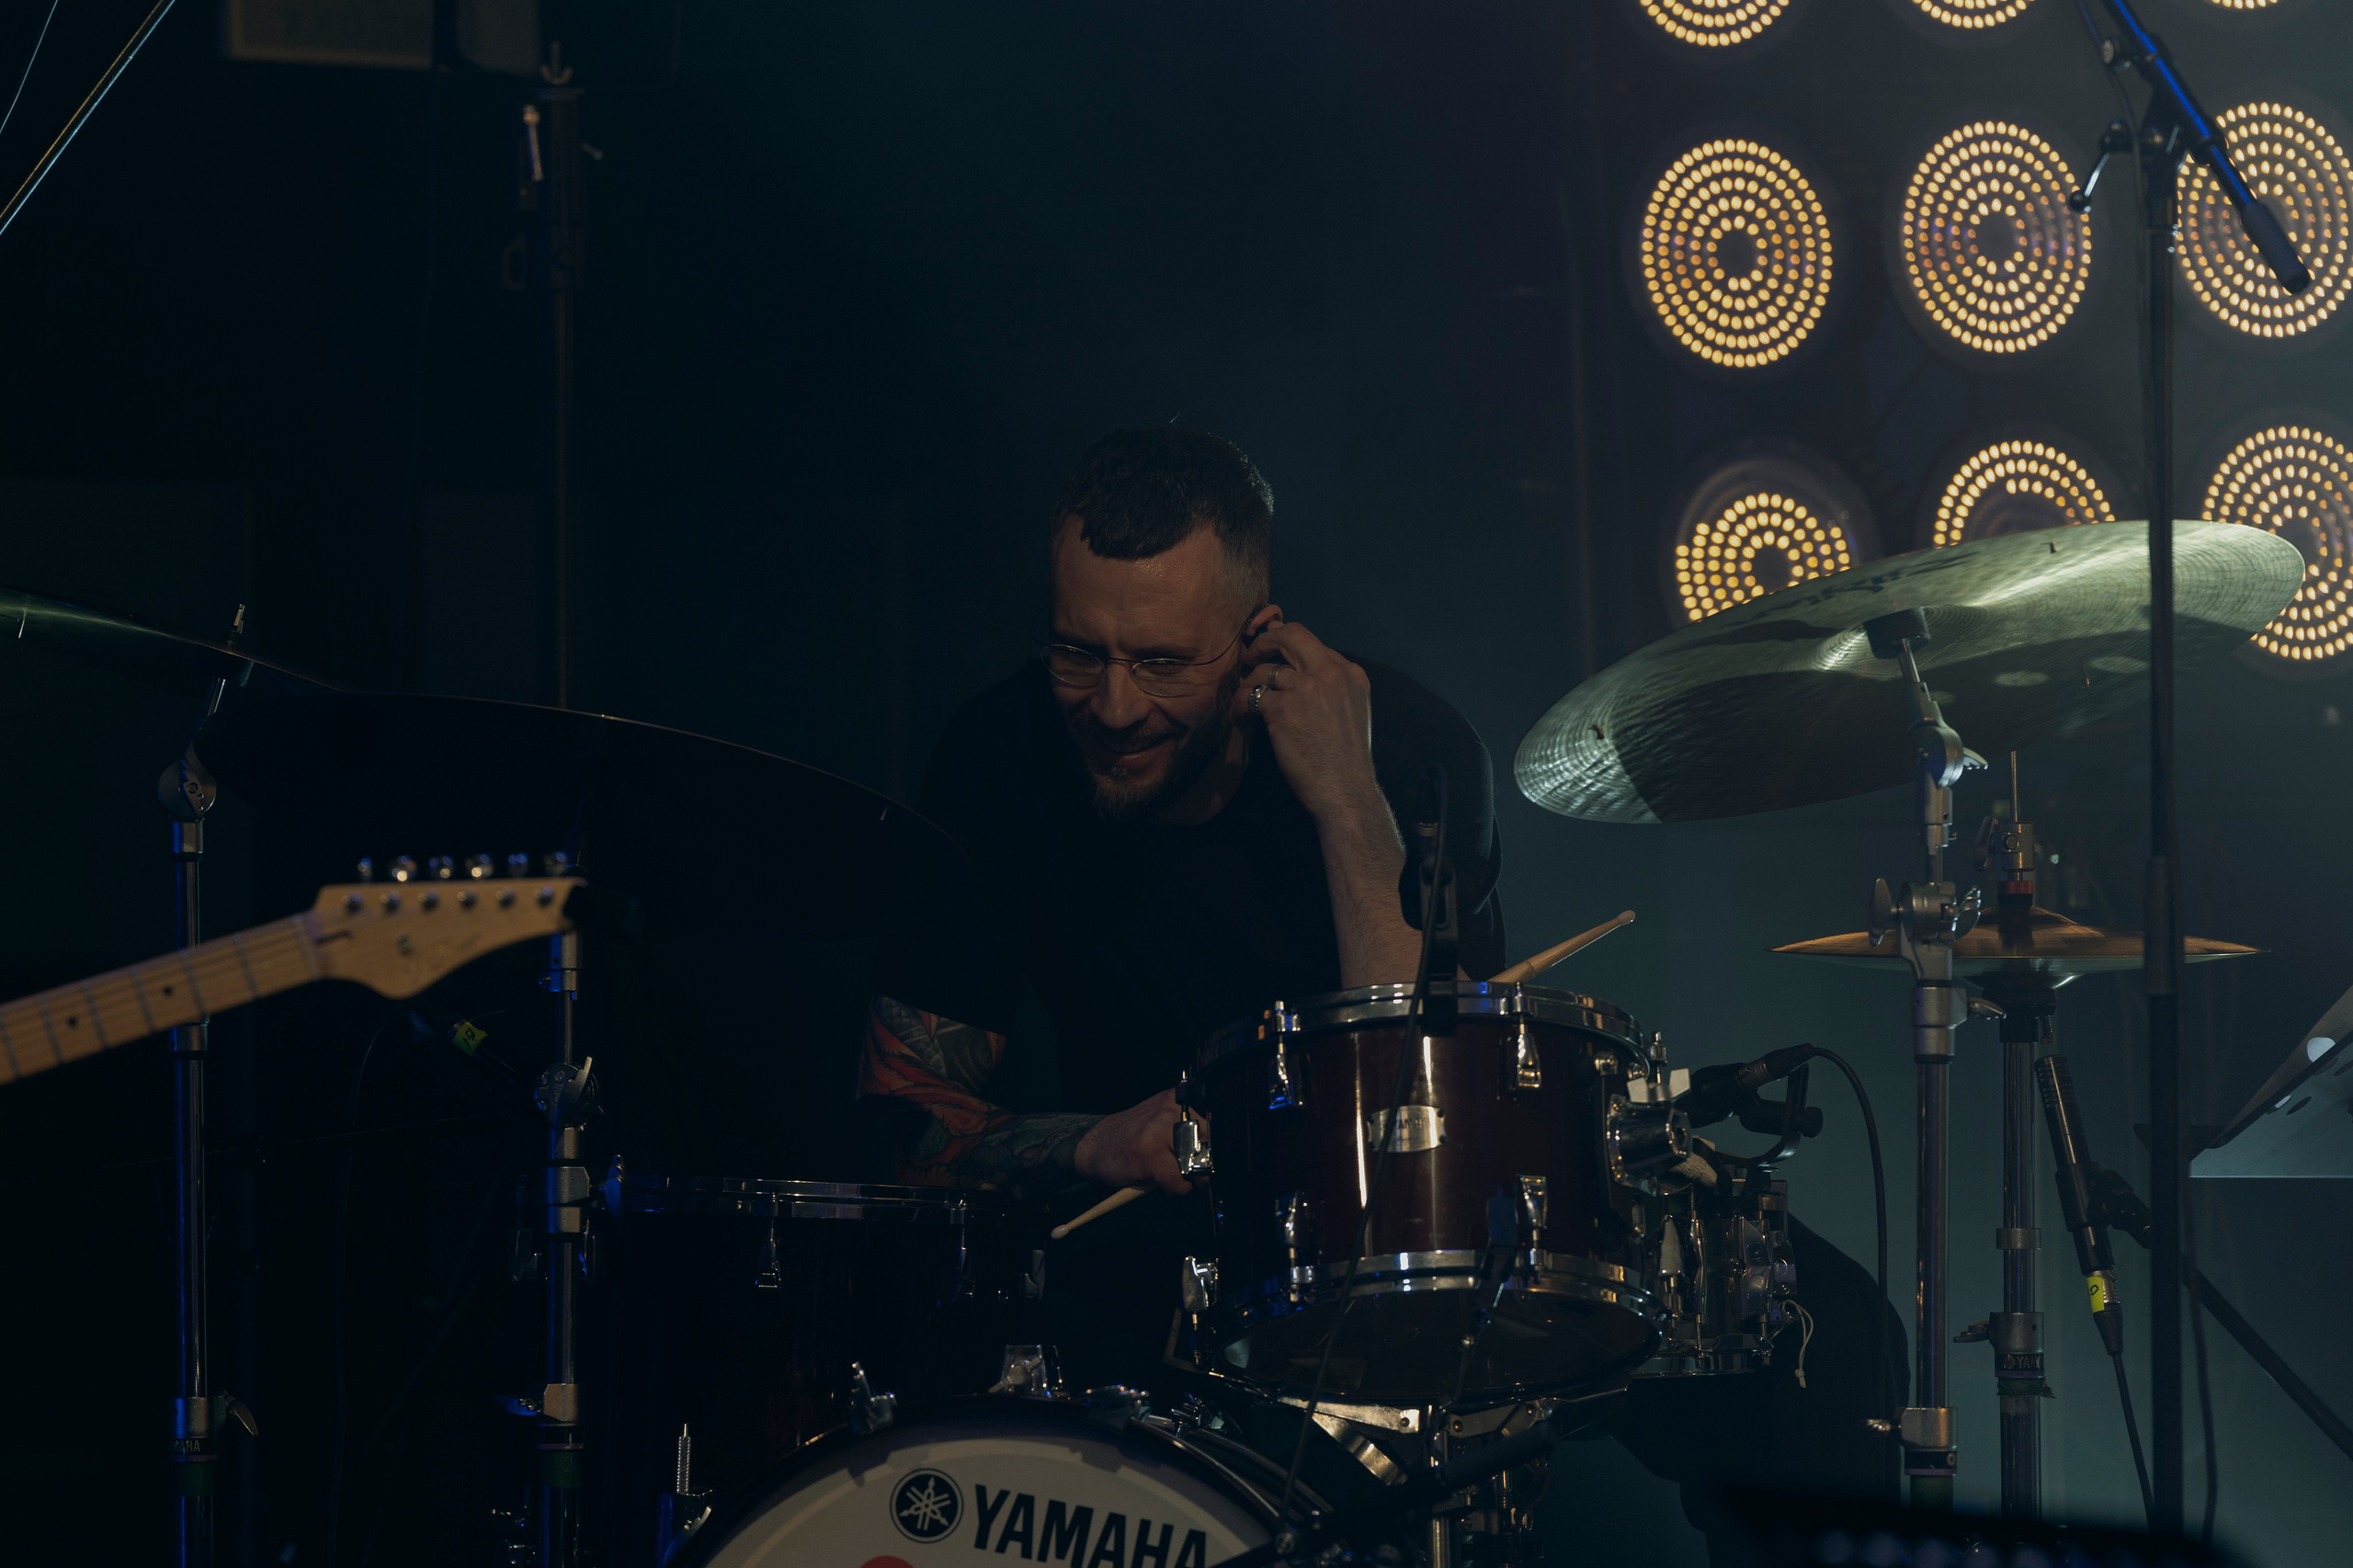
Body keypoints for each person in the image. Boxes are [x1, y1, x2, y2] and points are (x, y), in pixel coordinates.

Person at [858, 427, 1901, 1559]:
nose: (1112, 706)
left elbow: (1431, 1094)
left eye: (1162, 661)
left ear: (1259, 640)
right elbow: (908, 1124)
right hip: (1169, 1250)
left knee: (1828, 1342)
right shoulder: (996, 757)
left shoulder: (1403, 748)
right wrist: (1092, 1143)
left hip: (1436, 1223)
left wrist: (1346, 806)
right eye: (1078, 653)